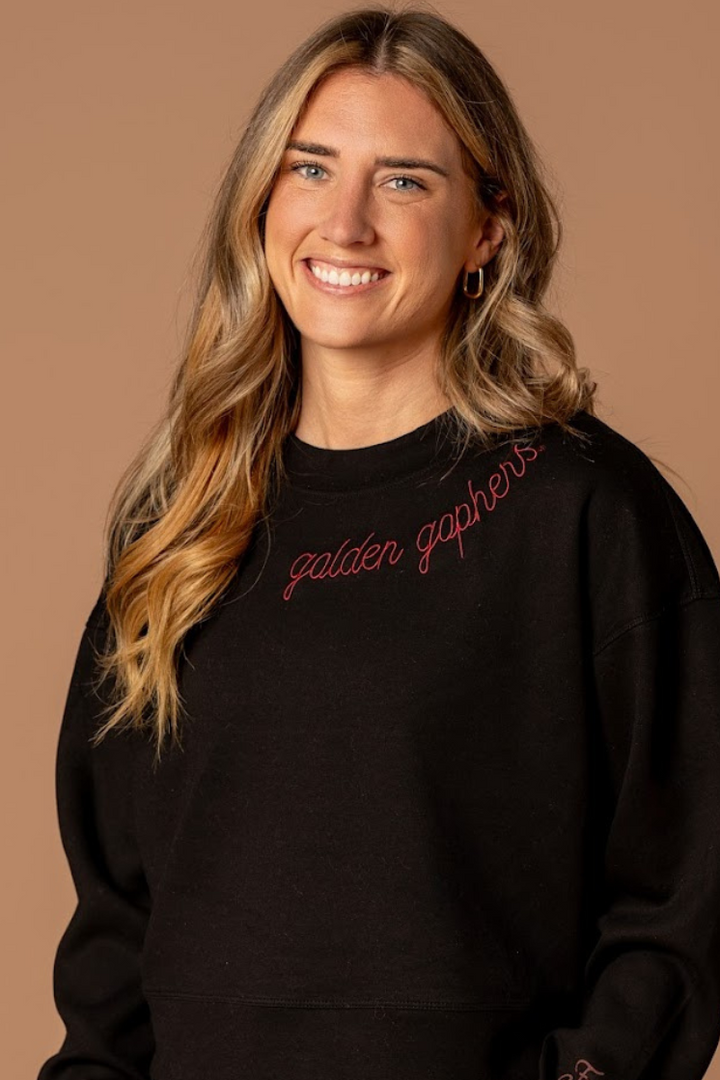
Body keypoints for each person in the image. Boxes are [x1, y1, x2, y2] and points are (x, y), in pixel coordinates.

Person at [37, 6, 720, 1080]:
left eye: (404, 181)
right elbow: (118, 923)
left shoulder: (583, 512)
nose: (345, 222)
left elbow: (683, 899)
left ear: (489, 228)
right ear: (263, 199)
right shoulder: (179, 520)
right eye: (311, 169)